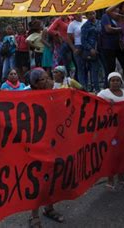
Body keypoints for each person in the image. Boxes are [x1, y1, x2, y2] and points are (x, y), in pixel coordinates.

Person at [28, 68, 62, 227]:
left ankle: (49, 208)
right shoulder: (27, 97)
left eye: (48, 78)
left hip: (53, 142)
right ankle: (33, 215)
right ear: (35, 83)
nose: (48, 81)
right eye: (43, 79)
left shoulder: (54, 94)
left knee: (53, 177)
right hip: (36, 145)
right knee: (37, 180)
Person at [97, 72, 124, 189]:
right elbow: (96, 107)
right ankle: (110, 178)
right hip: (110, 130)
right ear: (108, 82)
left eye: (117, 80)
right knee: (111, 154)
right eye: (113, 80)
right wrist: (107, 106)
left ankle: (121, 177)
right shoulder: (103, 94)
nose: (115, 82)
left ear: (121, 82)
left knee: (123, 153)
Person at [99, 11, 124, 91]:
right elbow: (108, 29)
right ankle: (108, 89)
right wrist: (123, 29)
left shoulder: (120, 16)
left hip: (120, 46)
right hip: (108, 46)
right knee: (110, 69)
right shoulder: (106, 16)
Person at [81, 11, 102, 92]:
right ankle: (97, 89)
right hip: (92, 51)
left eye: (93, 13)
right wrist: (90, 49)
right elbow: (83, 41)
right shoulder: (85, 26)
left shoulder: (99, 22)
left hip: (103, 48)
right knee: (94, 70)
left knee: (104, 69)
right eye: (90, 14)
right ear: (86, 15)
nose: (92, 15)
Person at [67, 14, 86, 82]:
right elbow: (68, 38)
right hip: (78, 45)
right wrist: (74, 49)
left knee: (88, 67)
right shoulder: (72, 24)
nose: (79, 15)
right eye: (77, 14)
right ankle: (82, 85)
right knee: (80, 67)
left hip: (87, 46)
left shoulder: (86, 21)